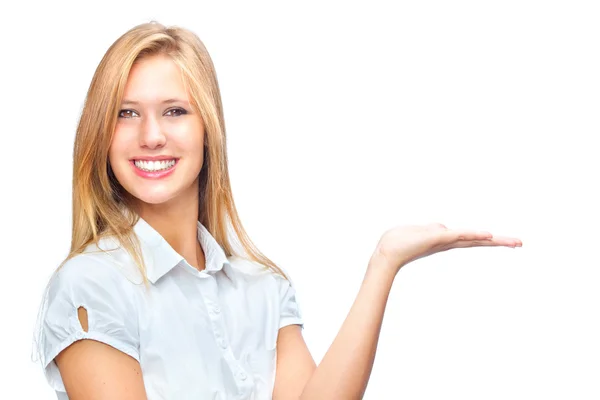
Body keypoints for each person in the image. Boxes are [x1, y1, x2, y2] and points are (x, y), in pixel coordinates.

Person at [31, 21, 522, 400]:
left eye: (175, 110)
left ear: (209, 129)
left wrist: (384, 263)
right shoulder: (91, 285)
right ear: (101, 133)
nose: (151, 135)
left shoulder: (261, 286)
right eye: (126, 112)